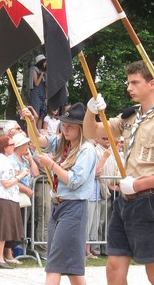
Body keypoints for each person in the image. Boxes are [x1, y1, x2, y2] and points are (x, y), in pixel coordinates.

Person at [84, 60, 154, 285]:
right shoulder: (131, 116)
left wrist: (140, 184)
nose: (129, 87)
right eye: (128, 82)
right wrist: (90, 112)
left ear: (152, 84)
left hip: (149, 200)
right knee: (114, 266)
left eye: (134, 82)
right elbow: (92, 132)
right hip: (125, 200)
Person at [23, 101, 97, 285]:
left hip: (73, 207)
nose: (66, 129)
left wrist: (52, 165)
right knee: (71, 267)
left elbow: (73, 181)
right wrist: (31, 122)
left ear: (82, 128)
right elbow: (39, 142)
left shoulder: (86, 150)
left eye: (71, 126)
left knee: (54, 264)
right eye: (64, 125)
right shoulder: (63, 143)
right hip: (58, 205)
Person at [0, 134, 27, 269]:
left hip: (5, 197)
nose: (14, 147)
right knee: (3, 229)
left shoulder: (3, 159)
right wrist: (20, 176)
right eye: (11, 145)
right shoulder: (2, 160)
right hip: (4, 197)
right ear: (5, 147)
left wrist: (18, 172)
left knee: (2, 229)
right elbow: (6, 183)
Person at [8, 131, 39, 264]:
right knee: (15, 222)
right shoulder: (12, 159)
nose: (27, 145)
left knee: (24, 221)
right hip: (17, 194)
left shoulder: (25, 158)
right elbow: (13, 179)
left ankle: (20, 246)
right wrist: (26, 189)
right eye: (25, 144)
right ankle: (13, 249)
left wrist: (31, 159)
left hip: (26, 195)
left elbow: (36, 173)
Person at [29, 54, 48, 127]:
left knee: (41, 115)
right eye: (45, 62)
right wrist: (41, 75)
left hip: (42, 95)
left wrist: (46, 98)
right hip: (36, 94)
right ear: (41, 62)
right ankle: (32, 131)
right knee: (35, 114)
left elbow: (46, 86)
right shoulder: (34, 69)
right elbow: (36, 83)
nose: (46, 64)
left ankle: (39, 132)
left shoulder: (45, 72)